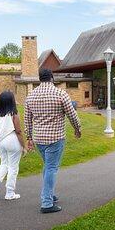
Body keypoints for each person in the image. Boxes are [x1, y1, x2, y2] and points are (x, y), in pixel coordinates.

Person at [24, 68, 81, 213]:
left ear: (40, 78)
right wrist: (77, 128)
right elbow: (72, 114)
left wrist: (29, 137)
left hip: (39, 139)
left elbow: (27, 120)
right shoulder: (60, 93)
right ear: (52, 78)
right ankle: (47, 203)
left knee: (47, 166)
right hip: (55, 138)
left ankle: (49, 194)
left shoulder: (30, 96)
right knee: (51, 168)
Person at [0, 91, 26, 200]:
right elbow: (18, 131)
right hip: (12, 140)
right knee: (13, 167)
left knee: (3, 164)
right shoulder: (14, 113)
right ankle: (9, 193)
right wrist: (23, 146)